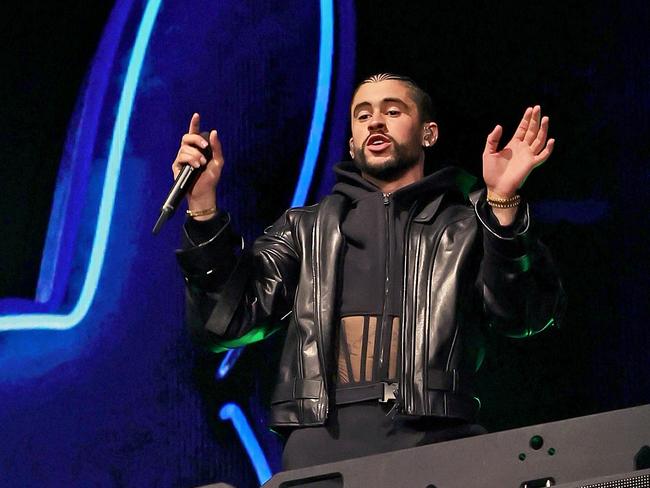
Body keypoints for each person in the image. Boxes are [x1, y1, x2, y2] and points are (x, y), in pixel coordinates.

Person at [172, 73, 565, 471]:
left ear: (428, 134)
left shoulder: (466, 226)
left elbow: (523, 315)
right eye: (363, 116)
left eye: (392, 111)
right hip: (321, 444)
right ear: (352, 144)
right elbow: (225, 321)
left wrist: (502, 203)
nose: (375, 122)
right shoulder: (304, 229)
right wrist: (203, 209)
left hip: (437, 438)